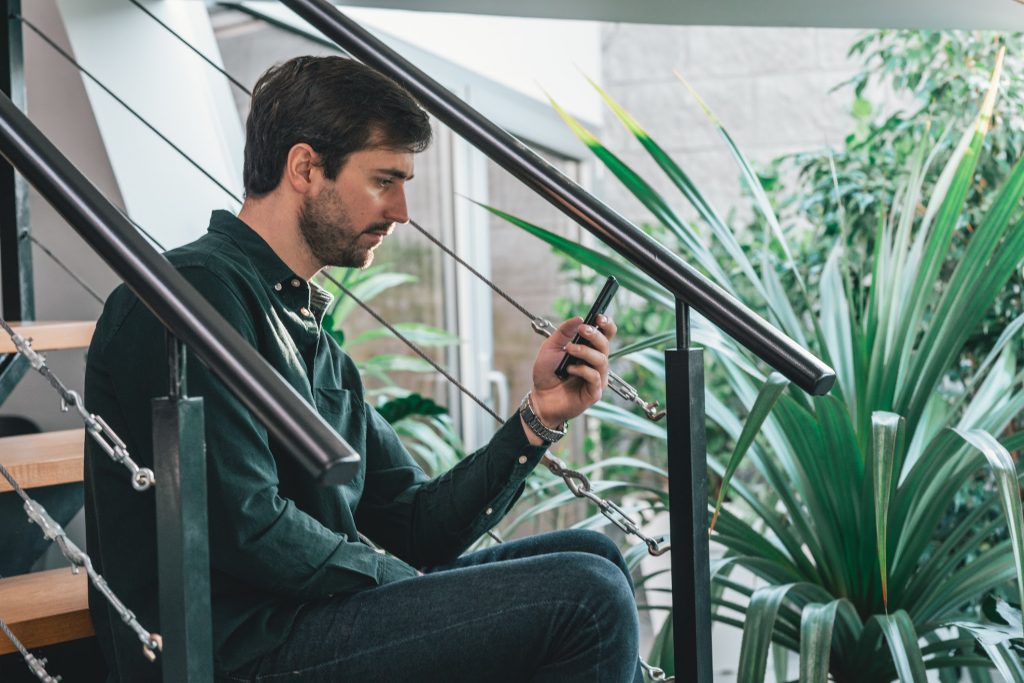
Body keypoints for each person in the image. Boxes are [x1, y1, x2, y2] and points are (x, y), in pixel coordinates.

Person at [84, 55, 642, 683]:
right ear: (305, 168)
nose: (402, 210)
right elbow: (250, 526)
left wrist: (537, 419)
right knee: (584, 596)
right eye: (384, 180)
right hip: (233, 651)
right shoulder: (190, 295)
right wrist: (408, 593)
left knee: (592, 554)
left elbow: (410, 521)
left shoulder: (305, 325)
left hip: (308, 623)